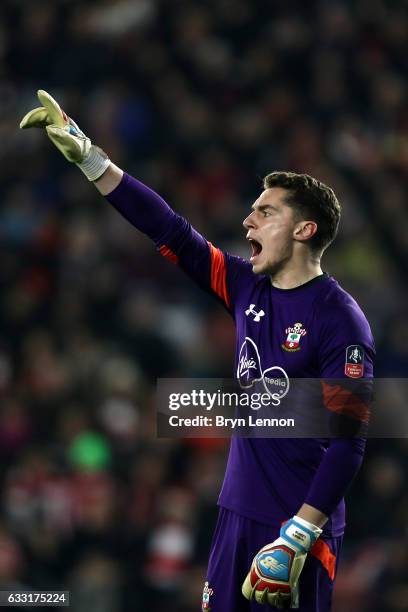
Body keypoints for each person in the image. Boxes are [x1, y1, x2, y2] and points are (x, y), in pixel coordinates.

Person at [20, 91, 375, 611]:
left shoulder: (341, 320)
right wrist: (91, 157)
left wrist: (300, 533)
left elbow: (349, 443)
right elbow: (170, 231)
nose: (248, 222)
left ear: (304, 229)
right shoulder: (246, 287)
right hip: (235, 513)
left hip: (297, 531)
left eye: (265, 212)